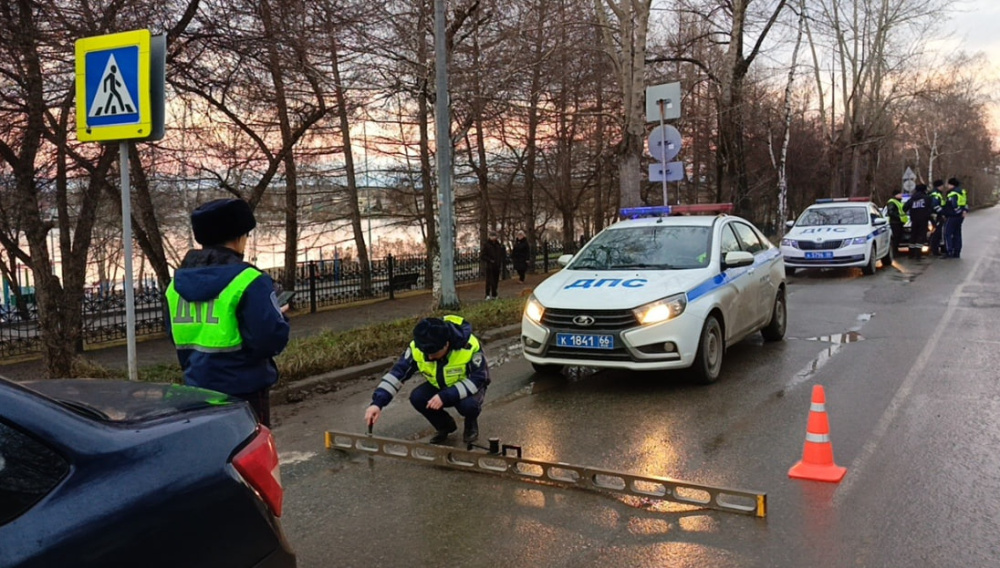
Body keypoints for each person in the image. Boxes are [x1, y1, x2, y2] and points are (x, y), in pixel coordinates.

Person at [165, 198, 290, 427]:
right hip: (245, 393)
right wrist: (278, 316)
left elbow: (174, 334)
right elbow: (270, 340)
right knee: (251, 458)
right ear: (240, 236)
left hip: (197, 390)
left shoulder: (175, 286)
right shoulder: (250, 280)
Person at [364, 315, 490, 444]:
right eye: (426, 353)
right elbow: (397, 373)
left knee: (469, 406)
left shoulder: (469, 346)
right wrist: (377, 403)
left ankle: (470, 423)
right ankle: (445, 426)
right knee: (417, 397)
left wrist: (445, 396)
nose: (429, 358)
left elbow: (478, 379)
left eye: (434, 353)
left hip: (467, 386)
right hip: (440, 384)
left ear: (447, 344)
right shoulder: (418, 347)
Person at [903, 183, 932, 259]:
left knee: (913, 236)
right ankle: (918, 254)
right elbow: (930, 209)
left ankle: (911, 253)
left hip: (914, 220)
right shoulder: (927, 198)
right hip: (923, 220)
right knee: (921, 236)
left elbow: (904, 208)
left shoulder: (912, 198)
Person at [943, 177, 967, 258]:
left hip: (952, 215)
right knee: (957, 234)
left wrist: (956, 212)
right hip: (960, 217)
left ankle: (949, 251)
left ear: (951, 184)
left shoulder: (952, 193)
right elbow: (965, 203)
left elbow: (954, 204)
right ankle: (957, 251)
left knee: (947, 233)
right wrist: (964, 211)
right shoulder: (962, 192)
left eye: (948, 184)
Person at [482, 232, 505, 300]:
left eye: (495, 236)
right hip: (490, 266)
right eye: (492, 236)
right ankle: (487, 294)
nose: (494, 238)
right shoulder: (487, 245)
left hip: (497, 265)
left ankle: (494, 294)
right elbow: (483, 256)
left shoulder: (498, 245)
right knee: (489, 281)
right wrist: (490, 260)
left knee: (496, 280)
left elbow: (501, 254)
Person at [928, 180, 947, 256]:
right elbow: (935, 206)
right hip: (936, 216)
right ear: (939, 186)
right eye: (942, 186)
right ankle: (935, 250)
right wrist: (943, 213)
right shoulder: (935, 194)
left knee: (937, 233)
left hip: (936, 216)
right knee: (936, 233)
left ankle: (936, 249)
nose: (943, 187)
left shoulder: (937, 193)